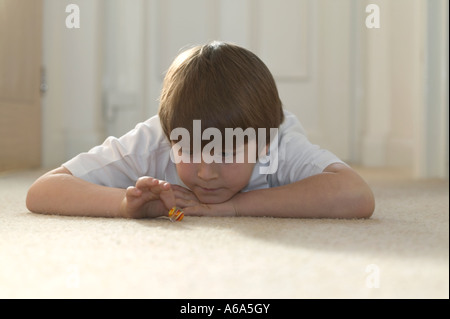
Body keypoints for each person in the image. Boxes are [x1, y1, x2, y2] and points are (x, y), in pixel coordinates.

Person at [26, 41, 374, 219]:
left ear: (263, 143)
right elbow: (43, 191)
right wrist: (123, 204)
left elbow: (357, 195)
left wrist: (235, 208)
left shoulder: (276, 139)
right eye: (189, 151)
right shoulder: (156, 139)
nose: (206, 173)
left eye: (227, 151)